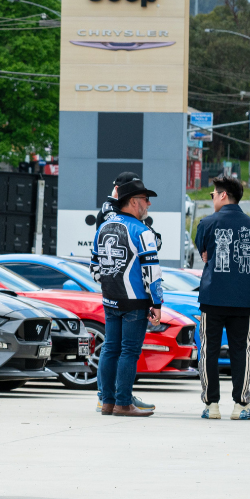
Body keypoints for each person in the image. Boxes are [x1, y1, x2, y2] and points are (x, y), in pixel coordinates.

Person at [91, 177, 163, 416]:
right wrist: (157, 302)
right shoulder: (142, 231)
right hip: (134, 302)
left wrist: (109, 287)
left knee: (110, 349)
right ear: (133, 202)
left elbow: (94, 266)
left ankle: (107, 402)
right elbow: (151, 271)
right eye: (145, 199)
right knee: (129, 352)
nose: (148, 204)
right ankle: (124, 403)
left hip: (110, 299)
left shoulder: (102, 227)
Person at [193, 175, 250, 420]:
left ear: (223, 195)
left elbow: (203, 252)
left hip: (213, 296)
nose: (212, 198)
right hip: (243, 299)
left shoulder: (208, 223)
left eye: (213, 194)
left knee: (208, 349)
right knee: (241, 351)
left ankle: (211, 405)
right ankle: (241, 404)